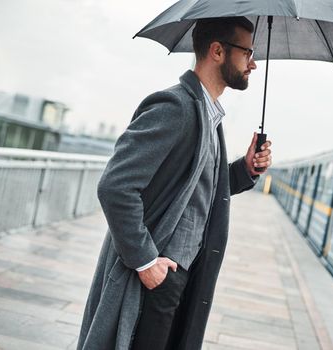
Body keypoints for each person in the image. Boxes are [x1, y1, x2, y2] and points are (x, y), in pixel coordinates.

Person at [77, 17, 272, 350]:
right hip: (155, 277)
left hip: (180, 276)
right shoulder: (175, 107)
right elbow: (115, 186)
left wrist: (245, 169)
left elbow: (198, 186)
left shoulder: (208, 115)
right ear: (217, 51)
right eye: (247, 52)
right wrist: (146, 262)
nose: (253, 63)